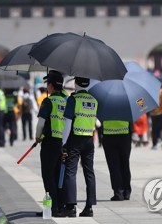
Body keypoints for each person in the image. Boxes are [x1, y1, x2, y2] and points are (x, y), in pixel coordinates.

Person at [61, 77, 98, 218]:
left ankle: (70, 206)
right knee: (89, 172)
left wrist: (63, 143)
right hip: (89, 139)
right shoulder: (94, 100)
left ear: (75, 83)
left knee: (70, 172)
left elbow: (68, 123)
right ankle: (89, 207)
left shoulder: (73, 99)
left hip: (75, 139)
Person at [35, 70, 66, 217]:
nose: (47, 86)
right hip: (63, 143)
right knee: (58, 175)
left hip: (50, 143)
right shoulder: (67, 100)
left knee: (47, 175)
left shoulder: (48, 101)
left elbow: (41, 122)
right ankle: (60, 205)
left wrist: (37, 137)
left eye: (48, 83)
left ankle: (51, 208)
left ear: (52, 85)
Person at [101, 119, 132, 201]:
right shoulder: (126, 105)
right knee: (125, 164)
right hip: (124, 134)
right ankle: (126, 191)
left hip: (109, 134)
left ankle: (118, 192)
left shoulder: (105, 105)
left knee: (113, 166)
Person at [150, 85, 162, 150]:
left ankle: (155, 144)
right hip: (161, 112)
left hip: (152, 113)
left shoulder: (150, 93)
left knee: (154, 129)